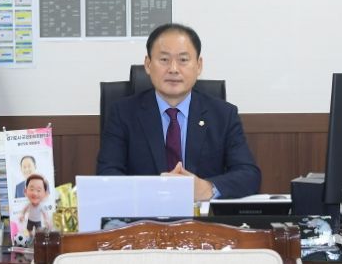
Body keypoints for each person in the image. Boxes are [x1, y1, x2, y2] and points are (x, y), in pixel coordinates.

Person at [97, 23, 261, 201]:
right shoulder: (122, 113)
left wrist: (207, 188)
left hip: (201, 215)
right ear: (148, 64)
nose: (173, 69)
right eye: (164, 59)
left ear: (198, 65)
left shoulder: (223, 115)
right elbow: (107, 174)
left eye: (183, 60)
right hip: (145, 214)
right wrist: (157, 189)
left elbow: (249, 175)